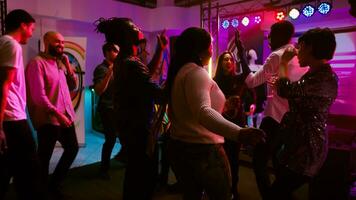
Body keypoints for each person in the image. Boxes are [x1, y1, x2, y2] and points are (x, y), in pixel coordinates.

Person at [165, 27, 265, 200]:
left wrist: (223, 106)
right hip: (203, 150)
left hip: (181, 147)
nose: (212, 50)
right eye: (211, 45)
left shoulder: (180, 72)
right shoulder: (196, 73)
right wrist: (239, 133)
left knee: (192, 195)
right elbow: (203, 112)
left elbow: (192, 108)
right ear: (202, 49)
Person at [95, 17, 168, 200]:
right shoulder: (131, 63)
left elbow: (146, 73)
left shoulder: (124, 60)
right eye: (134, 27)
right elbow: (158, 94)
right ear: (127, 35)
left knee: (135, 174)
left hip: (130, 127)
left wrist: (161, 50)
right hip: (140, 128)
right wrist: (177, 73)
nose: (139, 27)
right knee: (145, 176)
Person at [243, 20, 309, 200]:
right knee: (280, 161)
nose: (269, 38)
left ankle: (269, 196)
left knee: (259, 161)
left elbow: (252, 81)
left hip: (274, 117)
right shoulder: (299, 55)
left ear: (277, 36)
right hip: (292, 120)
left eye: (270, 35)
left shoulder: (276, 56)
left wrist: (242, 62)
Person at [270, 27, 338, 199]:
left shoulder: (324, 78)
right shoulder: (315, 74)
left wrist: (284, 63)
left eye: (300, 47)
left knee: (277, 192)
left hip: (308, 147)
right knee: (281, 190)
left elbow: (286, 90)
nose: (297, 52)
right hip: (297, 142)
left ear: (310, 48)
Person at [25, 31, 79, 199]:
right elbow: (38, 97)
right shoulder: (37, 63)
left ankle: (53, 184)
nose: (61, 45)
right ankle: (40, 192)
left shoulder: (59, 64)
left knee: (72, 149)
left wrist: (68, 66)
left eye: (63, 43)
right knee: (44, 158)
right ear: (46, 42)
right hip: (48, 119)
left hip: (65, 116)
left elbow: (73, 87)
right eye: (57, 42)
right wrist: (58, 115)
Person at [0, 9, 44, 200]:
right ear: (23, 25)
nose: (32, 32)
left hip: (9, 117)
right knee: (29, 168)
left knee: (9, 166)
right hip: (13, 118)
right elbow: (4, 85)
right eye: (31, 28)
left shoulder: (3, 43)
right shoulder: (12, 45)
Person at [213, 31, 256, 200]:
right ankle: (219, 189)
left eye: (231, 59)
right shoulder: (214, 81)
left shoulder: (239, 79)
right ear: (220, 63)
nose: (228, 61)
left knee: (233, 160)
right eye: (225, 59)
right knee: (217, 161)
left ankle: (233, 189)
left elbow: (247, 72)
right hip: (218, 124)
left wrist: (240, 47)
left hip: (236, 126)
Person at [93, 43, 122, 179]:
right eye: (116, 51)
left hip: (118, 108)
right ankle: (103, 170)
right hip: (107, 108)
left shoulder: (120, 68)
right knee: (110, 139)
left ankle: (123, 156)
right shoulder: (101, 69)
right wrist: (109, 73)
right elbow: (99, 91)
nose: (118, 53)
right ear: (108, 52)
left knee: (124, 135)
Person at [247, 49, 266, 128]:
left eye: (255, 52)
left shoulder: (260, 66)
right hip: (251, 94)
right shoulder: (247, 67)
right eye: (253, 53)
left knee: (259, 116)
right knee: (250, 116)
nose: (255, 54)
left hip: (260, 94)